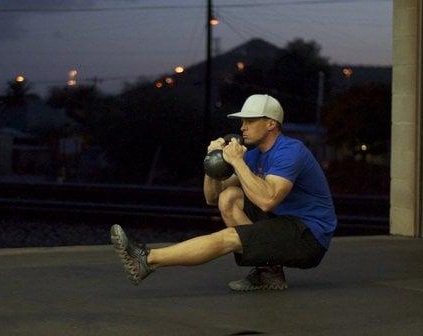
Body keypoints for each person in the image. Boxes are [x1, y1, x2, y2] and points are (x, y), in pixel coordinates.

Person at [110, 94, 337, 291]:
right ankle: (269, 274)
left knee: (230, 238)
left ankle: (147, 260)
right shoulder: (254, 155)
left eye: (249, 120)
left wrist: (237, 160)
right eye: (242, 121)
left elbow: (268, 200)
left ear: (270, 124)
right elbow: (212, 197)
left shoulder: (290, 150)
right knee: (229, 198)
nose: (242, 127)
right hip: (282, 222)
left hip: (309, 235)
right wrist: (213, 162)